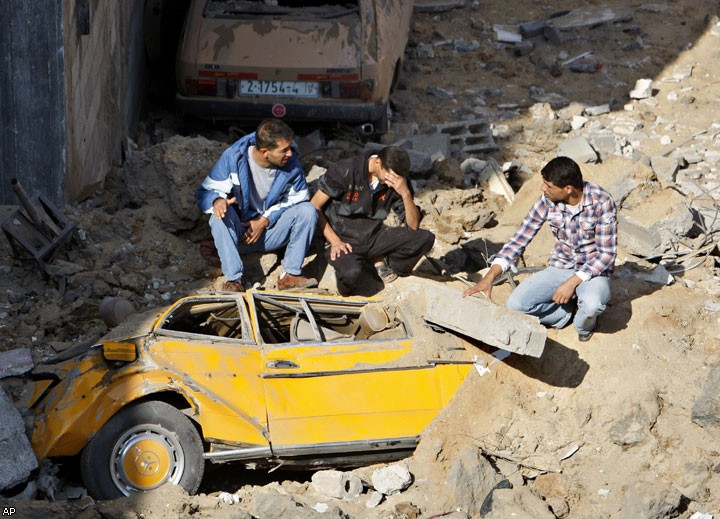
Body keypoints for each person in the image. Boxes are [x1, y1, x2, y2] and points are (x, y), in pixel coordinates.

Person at [463, 156, 617, 342]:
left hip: (592, 271)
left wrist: (572, 283)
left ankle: (584, 326)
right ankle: (562, 314)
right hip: (561, 266)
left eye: (548, 186)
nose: (543, 189)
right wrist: (489, 277)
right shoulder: (547, 200)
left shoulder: (601, 201)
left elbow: (606, 254)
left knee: (592, 305)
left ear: (568, 189)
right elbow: (519, 239)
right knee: (515, 305)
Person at [197, 118, 318, 292]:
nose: (290, 154)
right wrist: (216, 201)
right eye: (284, 150)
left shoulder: (291, 164)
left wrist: (265, 220)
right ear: (264, 152)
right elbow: (205, 193)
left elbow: (298, 198)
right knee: (219, 216)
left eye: (290, 148)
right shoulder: (234, 157)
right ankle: (233, 281)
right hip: (239, 236)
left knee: (307, 210)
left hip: (271, 233)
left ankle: (290, 275)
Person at [311, 146, 435, 296]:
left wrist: (405, 194)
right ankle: (368, 269)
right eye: (389, 177)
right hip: (343, 239)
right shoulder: (345, 170)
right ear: (378, 162)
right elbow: (314, 206)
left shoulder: (398, 181)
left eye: (397, 179)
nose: (391, 184)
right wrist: (335, 241)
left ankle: (386, 265)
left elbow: (413, 226)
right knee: (351, 274)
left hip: (374, 236)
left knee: (424, 238)